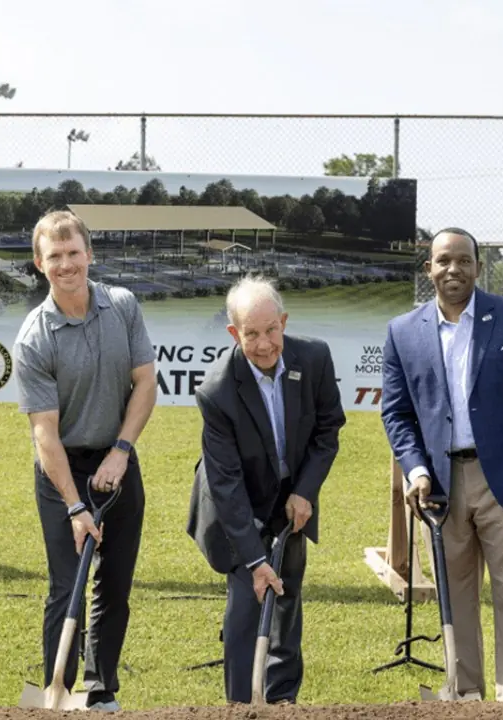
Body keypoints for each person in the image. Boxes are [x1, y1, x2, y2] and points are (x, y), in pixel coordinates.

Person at [379, 228, 503, 701]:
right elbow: (396, 414)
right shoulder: (402, 332)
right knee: (454, 601)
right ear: (429, 270)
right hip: (438, 487)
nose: (453, 270)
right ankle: (465, 699)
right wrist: (416, 470)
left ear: (479, 267)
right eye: (443, 261)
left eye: (463, 260)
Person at [13, 209, 158, 713]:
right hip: (62, 469)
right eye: (55, 256)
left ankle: (101, 689)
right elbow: (43, 434)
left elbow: (145, 382)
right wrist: (75, 507)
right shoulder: (35, 336)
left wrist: (121, 451)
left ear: (89, 255)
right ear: (39, 263)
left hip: (116, 460)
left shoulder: (122, 305)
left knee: (114, 584)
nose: (66, 264)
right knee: (64, 584)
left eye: (74, 253)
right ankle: (57, 688)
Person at [188, 275, 346, 705]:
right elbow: (226, 483)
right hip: (236, 506)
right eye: (251, 334)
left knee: (286, 598)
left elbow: (328, 431)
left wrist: (305, 492)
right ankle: (241, 706)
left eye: (271, 330)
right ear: (233, 333)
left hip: (291, 497)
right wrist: (255, 558)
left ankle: (282, 702)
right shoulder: (217, 391)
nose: (263, 344)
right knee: (246, 605)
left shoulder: (313, 359)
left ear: (284, 321)